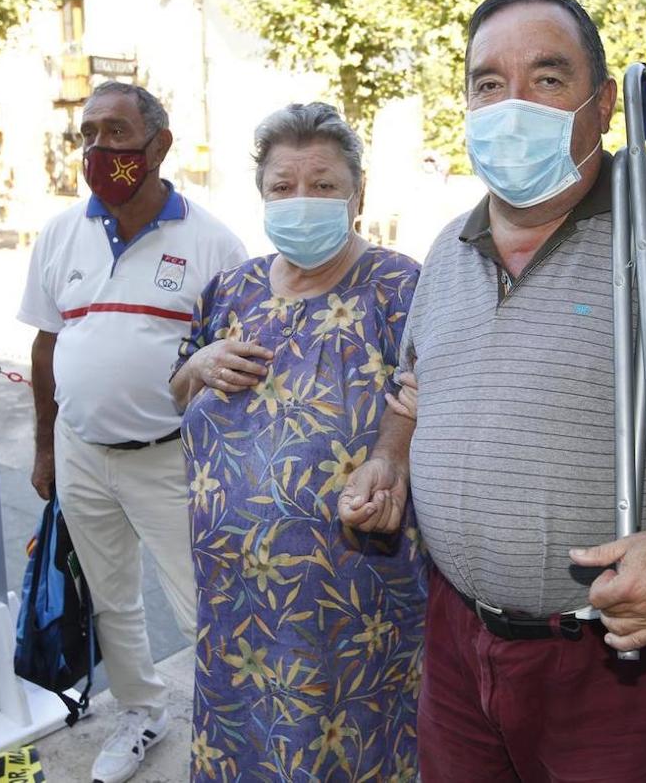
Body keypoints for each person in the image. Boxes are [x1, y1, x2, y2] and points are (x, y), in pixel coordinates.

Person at [340, 0, 646, 782]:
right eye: (488, 83)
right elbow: (414, 395)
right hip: (454, 642)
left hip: (609, 661)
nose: (511, 105)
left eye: (547, 79)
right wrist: (389, 459)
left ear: (604, 103)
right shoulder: (449, 246)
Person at [170, 102, 427, 782]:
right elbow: (177, 388)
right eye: (283, 187)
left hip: (350, 607)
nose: (301, 201)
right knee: (247, 744)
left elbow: (435, 395)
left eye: (323, 186)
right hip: (235, 608)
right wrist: (196, 367)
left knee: (346, 747)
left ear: (357, 196)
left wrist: (389, 456)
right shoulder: (231, 289)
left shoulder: (401, 287)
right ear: (261, 197)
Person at [17, 81, 246, 783]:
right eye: (87, 135)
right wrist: (47, 445)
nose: (98, 150)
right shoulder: (61, 233)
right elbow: (46, 348)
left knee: (203, 601)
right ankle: (142, 712)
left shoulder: (213, 244)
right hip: (84, 454)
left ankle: (234, 726)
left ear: (159, 145)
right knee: (111, 598)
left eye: (114, 133)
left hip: (173, 461)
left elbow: (239, 365)